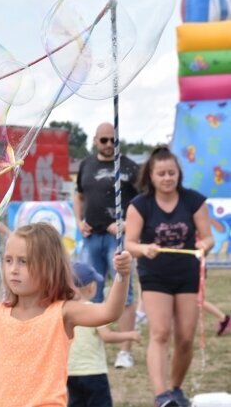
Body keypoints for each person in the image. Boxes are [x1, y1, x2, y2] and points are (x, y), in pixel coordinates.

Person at [0, 222, 133, 407]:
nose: (14, 269)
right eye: (8, 260)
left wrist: (122, 276)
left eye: (23, 261)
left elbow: (109, 312)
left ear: (49, 267)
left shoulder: (63, 312)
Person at [125, 146, 214, 407]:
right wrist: (144, 248)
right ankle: (161, 394)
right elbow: (130, 243)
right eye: (161, 173)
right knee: (160, 332)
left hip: (187, 273)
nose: (167, 178)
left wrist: (204, 246)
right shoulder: (140, 205)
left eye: (171, 173)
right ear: (151, 176)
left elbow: (208, 237)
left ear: (179, 174)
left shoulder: (193, 201)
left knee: (185, 337)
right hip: (155, 275)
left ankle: (175, 389)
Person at [73, 122, 138, 369]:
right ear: (95, 140)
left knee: (125, 292)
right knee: (88, 291)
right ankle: (92, 343)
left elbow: (142, 201)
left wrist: (125, 222)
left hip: (117, 239)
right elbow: (78, 196)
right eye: (104, 140)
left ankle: (125, 352)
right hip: (91, 237)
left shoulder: (130, 166)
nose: (109, 144)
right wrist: (79, 221)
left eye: (114, 140)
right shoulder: (86, 165)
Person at [67, 262, 141, 407]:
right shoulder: (94, 310)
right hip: (94, 372)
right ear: (91, 287)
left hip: (70, 372)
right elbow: (107, 336)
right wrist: (129, 335)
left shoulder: (64, 311)